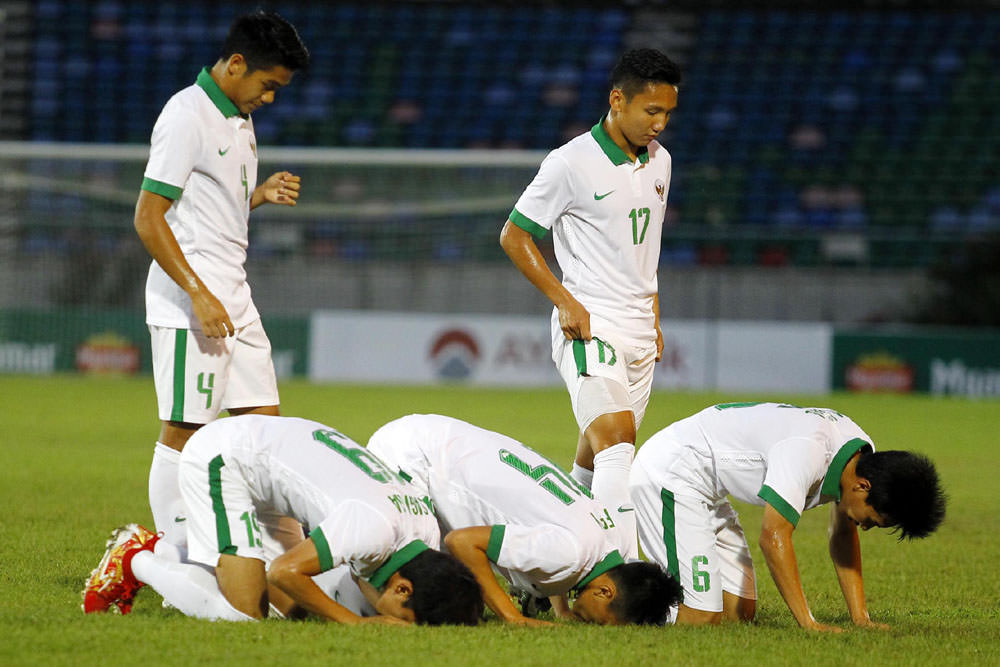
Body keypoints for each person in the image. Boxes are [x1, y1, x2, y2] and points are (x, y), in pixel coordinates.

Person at [133, 11, 309, 548]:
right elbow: (149, 217)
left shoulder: (237, 116)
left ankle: (282, 556)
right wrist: (198, 293)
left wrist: (257, 196)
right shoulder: (187, 115)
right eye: (268, 85)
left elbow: (207, 210)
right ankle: (175, 554)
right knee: (186, 432)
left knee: (265, 430)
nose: (270, 98)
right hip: (192, 304)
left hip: (234, 296)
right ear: (236, 64)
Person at [499, 48, 682, 559]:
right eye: (652, 111)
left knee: (598, 452)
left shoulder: (661, 161)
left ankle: (552, 554)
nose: (660, 124)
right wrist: (565, 301)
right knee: (618, 444)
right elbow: (514, 235)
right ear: (617, 100)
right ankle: (618, 572)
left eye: (668, 113)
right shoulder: (570, 163)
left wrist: (654, 316)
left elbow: (645, 251)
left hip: (639, 329)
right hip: (590, 323)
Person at [81, 415, 484, 626]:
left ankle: (173, 553)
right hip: (227, 459)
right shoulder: (371, 528)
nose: (394, 626)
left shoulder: (423, 536)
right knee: (243, 615)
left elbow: (355, 576)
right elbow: (284, 571)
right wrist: (354, 624)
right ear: (402, 588)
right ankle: (135, 555)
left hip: (274, 454)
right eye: (402, 619)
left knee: (291, 608)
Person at [629, 401, 947, 631]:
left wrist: (860, 618)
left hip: (709, 488)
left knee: (739, 612)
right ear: (863, 486)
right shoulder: (808, 451)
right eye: (872, 520)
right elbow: (773, 537)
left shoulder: (861, 455)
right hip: (673, 474)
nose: (864, 527)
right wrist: (808, 623)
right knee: (701, 618)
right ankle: (614, 596)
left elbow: (842, 535)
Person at [366, 414, 682, 626]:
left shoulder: (603, 536)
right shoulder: (572, 552)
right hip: (412, 455)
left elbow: (555, 549)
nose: (591, 625)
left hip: (438, 440)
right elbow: (462, 542)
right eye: (600, 622)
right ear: (605, 592)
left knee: (459, 598)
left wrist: (562, 609)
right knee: (419, 590)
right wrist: (511, 617)